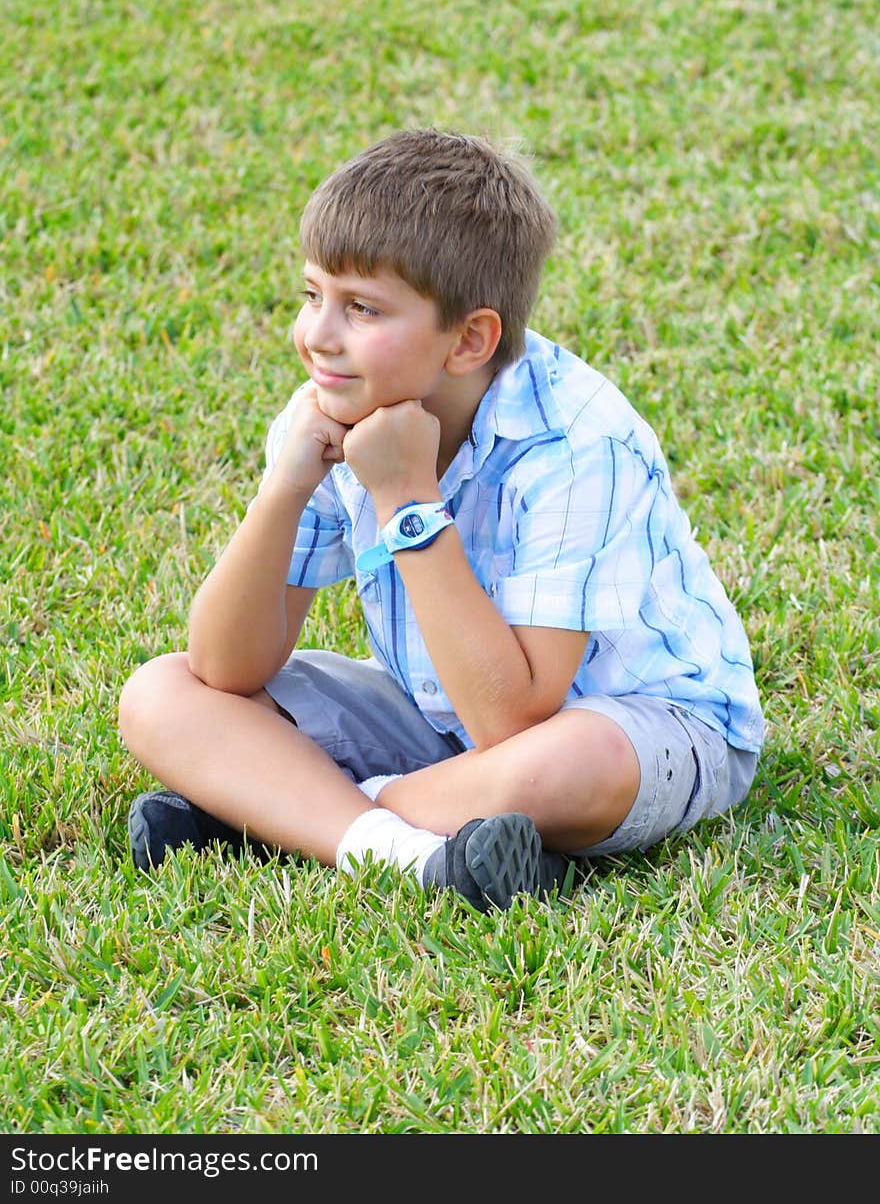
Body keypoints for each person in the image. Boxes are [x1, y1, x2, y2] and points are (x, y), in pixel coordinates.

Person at [119, 128, 764, 914]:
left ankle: (271, 812)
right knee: (160, 694)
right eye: (312, 294)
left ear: (469, 340)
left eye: (361, 308)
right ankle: (415, 855)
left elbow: (512, 719)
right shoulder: (328, 411)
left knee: (557, 767)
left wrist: (406, 500)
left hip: (639, 723)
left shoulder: (579, 441)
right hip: (437, 721)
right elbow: (227, 668)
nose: (318, 335)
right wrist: (283, 490)